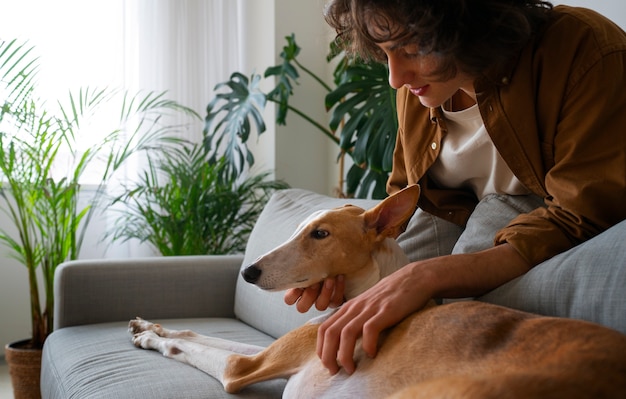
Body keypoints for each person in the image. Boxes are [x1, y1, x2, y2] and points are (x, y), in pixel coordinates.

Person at [284, 0, 626, 376]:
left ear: (471, 25)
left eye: (412, 49)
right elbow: (404, 192)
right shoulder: (416, 89)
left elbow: (581, 212)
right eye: (385, 54)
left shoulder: (582, 47)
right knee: (360, 312)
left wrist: (427, 275)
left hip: (535, 220)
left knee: (439, 317)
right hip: (450, 217)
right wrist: (343, 262)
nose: (395, 78)